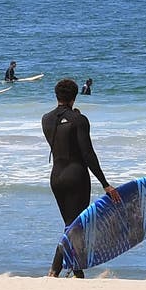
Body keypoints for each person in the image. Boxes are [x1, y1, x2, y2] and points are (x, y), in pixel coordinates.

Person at [41, 78, 121, 278]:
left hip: (56, 177)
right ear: (74, 97)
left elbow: (61, 137)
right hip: (76, 175)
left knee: (72, 224)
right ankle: (54, 271)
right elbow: (88, 154)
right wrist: (105, 184)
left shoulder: (45, 119)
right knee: (74, 226)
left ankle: (77, 272)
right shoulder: (79, 120)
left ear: (56, 95)